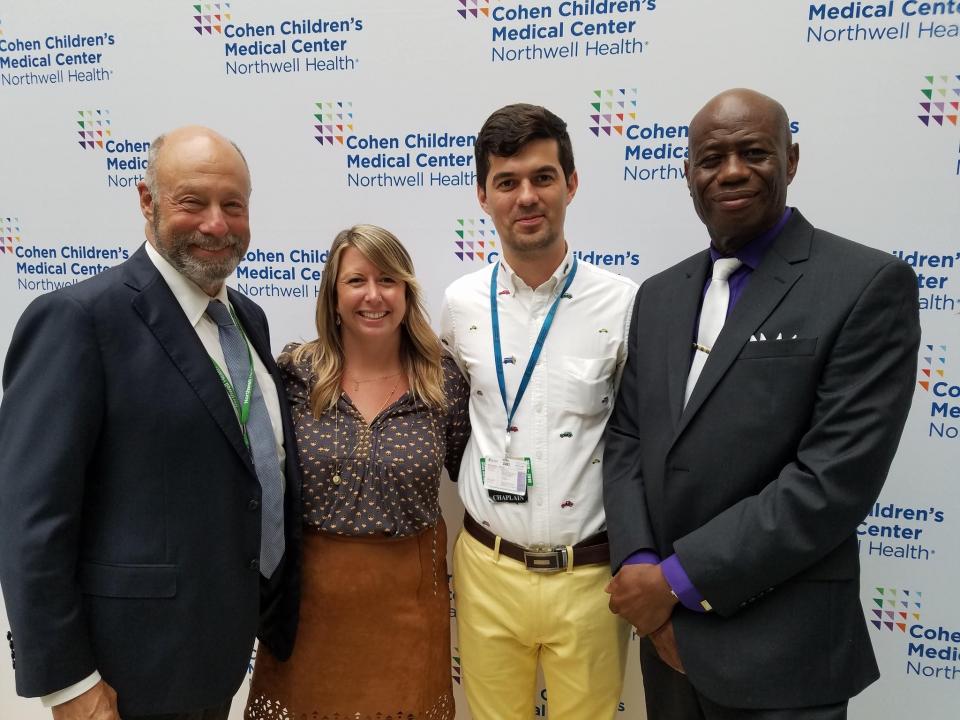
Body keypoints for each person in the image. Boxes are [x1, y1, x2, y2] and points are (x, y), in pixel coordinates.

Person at [602, 88, 921, 719]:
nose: (732, 171)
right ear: (688, 174)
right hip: (665, 647)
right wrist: (641, 568)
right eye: (711, 157)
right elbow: (628, 439)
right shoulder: (661, 295)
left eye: (754, 152)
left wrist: (675, 581)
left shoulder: (863, 285)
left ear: (791, 159)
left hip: (782, 653)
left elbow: (832, 480)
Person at [0, 126, 301, 720]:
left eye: (232, 205)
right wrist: (69, 687)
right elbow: (30, 521)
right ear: (147, 202)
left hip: (216, 656)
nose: (216, 224)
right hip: (124, 676)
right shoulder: (78, 320)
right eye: (193, 202)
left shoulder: (248, 319)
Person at [440, 104, 638, 720]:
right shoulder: (459, 301)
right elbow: (451, 422)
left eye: (543, 178)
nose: (526, 197)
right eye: (507, 182)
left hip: (590, 577)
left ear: (570, 185)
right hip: (486, 568)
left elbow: (639, 440)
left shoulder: (624, 303)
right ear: (483, 195)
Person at [245, 224, 470, 720]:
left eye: (388, 280)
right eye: (356, 281)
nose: (374, 295)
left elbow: (470, 474)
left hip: (408, 602)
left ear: (407, 292)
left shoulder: (442, 379)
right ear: (333, 292)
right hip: (309, 605)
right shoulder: (295, 374)